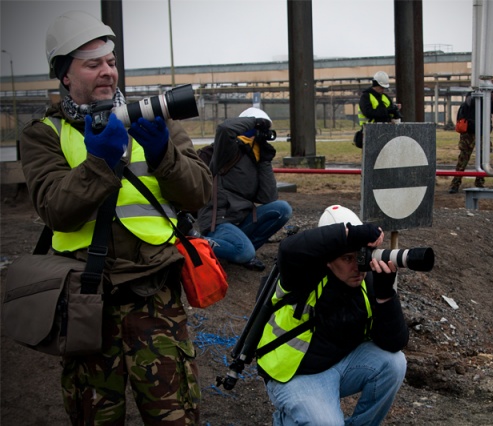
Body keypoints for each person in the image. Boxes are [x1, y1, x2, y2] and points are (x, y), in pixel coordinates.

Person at [20, 10, 212, 424]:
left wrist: (163, 153)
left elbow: (201, 192)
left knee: (176, 418)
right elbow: (57, 211)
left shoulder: (156, 120)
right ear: (65, 75)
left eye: (110, 61)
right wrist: (101, 162)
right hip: (87, 300)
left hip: (155, 295)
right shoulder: (45, 134)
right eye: (93, 64)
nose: (107, 72)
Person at [256, 205, 409, 426]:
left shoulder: (366, 281)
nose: (357, 267)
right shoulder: (302, 277)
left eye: (360, 257)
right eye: (348, 258)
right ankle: (286, 420)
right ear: (327, 258)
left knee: (394, 363)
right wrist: (350, 234)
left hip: (339, 365)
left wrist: (386, 296)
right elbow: (289, 249)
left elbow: (395, 342)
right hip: (296, 373)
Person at [196, 107, 292, 272]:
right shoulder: (227, 150)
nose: (260, 133)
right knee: (244, 252)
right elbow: (224, 130)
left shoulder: (255, 156)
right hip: (219, 221)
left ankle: (239, 252)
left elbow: (268, 197)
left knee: (283, 209)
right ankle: (198, 242)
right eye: (259, 129)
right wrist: (254, 122)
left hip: (240, 220)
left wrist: (265, 161)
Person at [448, 89, 493, 193]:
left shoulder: (489, 102)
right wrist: (487, 98)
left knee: (483, 160)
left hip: (482, 133)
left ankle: (479, 183)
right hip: (469, 134)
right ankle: (455, 184)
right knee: (463, 159)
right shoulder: (473, 97)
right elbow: (470, 104)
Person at [354, 71, 402, 148]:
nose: (383, 89)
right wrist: (387, 111)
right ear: (376, 85)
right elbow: (368, 113)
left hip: (386, 132)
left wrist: (395, 111)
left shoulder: (385, 97)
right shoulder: (366, 97)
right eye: (381, 87)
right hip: (370, 132)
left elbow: (391, 113)